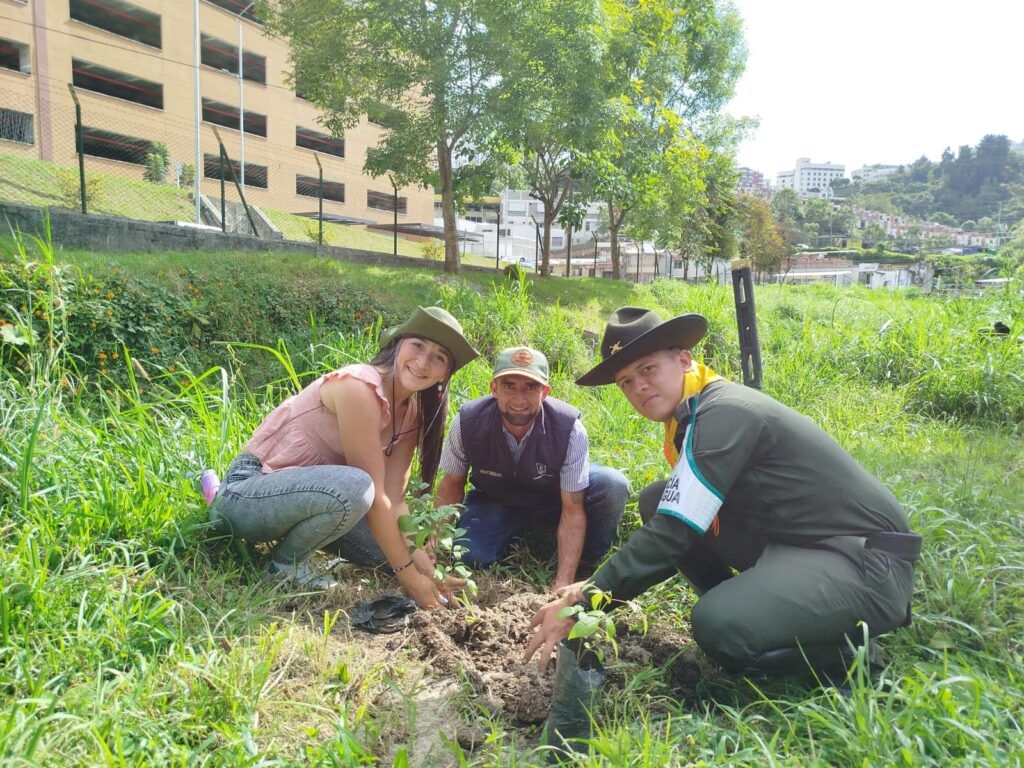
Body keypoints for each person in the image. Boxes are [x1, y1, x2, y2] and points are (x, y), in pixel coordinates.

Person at [525, 307, 922, 680]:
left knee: (716, 626)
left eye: (648, 369)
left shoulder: (723, 414)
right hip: (798, 542)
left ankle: (851, 657)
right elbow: (676, 516)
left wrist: (585, 601)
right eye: (626, 381)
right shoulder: (694, 416)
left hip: (864, 562)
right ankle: (759, 612)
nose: (638, 387)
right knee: (656, 498)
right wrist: (598, 588)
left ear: (684, 360)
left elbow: (674, 531)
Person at [210, 306, 479, 608]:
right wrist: (410, 579)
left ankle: (230, 507)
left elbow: (394, 498)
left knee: (385, 554)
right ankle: (281, 563)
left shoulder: (412, 415)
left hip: (311, 497)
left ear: (445, 373)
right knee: (358, 488)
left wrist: (426, 568)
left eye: (439, 357)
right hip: (252, 489)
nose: (423, 362)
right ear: (397, 345)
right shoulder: (359, 387)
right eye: (418, 346)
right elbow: (374, 494)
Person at [434, 346, 629, 590]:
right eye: (509, 386)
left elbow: (573, 507)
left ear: (545, 391)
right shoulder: (467, 421)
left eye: (530, 387)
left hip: (555, 497)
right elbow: (452, 484)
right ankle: (522, 529)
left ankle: (587, 560)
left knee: (611, 484)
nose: (519, 398)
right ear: (493, 387)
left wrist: (562, 581)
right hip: (496, 499)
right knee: (471, 557)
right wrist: (434, 545)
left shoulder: (569, 429)